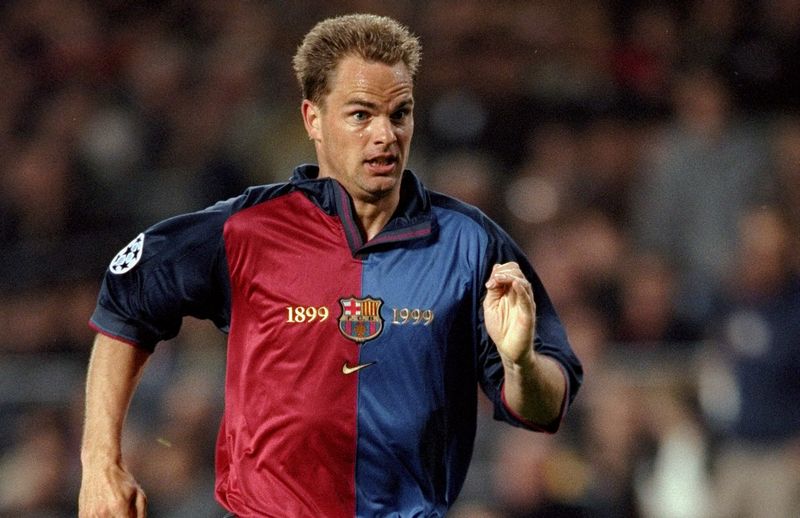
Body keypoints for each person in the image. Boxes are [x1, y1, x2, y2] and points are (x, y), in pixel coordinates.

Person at [78, 13, 582, 518]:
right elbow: (128, 298)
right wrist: (100, 463)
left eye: (400, 113)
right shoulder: (247, 230)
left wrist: (519, 362)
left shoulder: (469, 243)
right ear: (312, 119)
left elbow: (544, 409)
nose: (385, 135)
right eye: (361, 114)